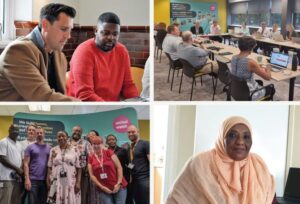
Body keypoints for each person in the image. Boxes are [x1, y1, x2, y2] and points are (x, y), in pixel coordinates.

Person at [166, 116, 276, 204]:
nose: (240, 142)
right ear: (221, 138)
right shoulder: (201, 163)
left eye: (246, 137)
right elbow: (177, 199)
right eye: (232, 135)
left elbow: (270, 199)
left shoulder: (258, 164)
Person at [0, 3, 78, 101]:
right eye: (63, 29)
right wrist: (82, 107)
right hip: (9, 115)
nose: (68, 36)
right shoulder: (18, 51)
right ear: (45, 25)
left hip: (38, 115)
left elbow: (58, 96)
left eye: (70, 30)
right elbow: (42, 97)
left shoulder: (59, 56)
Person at [67, 12, 138, 101]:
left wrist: (137, 103)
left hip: (110, 108)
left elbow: (128, 85)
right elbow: (85, 95)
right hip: (83, 109)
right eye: (105, 33)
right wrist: (110, 109)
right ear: (96, 31)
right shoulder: (84, 52)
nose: (111, 37)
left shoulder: (122, 51)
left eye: (115, 34)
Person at [88, 136, 127, 204]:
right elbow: (92, 175)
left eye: (98, 143)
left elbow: (119, 167)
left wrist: (119, 183)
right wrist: (102, 187)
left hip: (118, 186)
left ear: (102, 144)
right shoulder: (90, 157)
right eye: (94, 144)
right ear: (92, 145)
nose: (96, 146)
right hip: (104, 189)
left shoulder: (109, 152)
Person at [47, 130, 81, 204]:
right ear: (57, 138)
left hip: (70, 180)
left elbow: (79, 167)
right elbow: (49, 166)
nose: (61, 138)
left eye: (63, 136)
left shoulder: (75, 149)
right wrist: (48, 179)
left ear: (67, 137)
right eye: (59, 136)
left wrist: (78, 182)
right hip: (56, 180)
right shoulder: (53, 150)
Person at [23, 126, 51, 204]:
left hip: (44, 181)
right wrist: (27, 179)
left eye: (41, 133)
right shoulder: (29, 147)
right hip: (33, 180)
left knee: (42, 202)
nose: (39, 134)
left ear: (44, 134)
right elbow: (25, 164)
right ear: (35, 134)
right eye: (37, 133)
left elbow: (51, 165)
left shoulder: (49, 148)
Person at [0, 124, 23, 204]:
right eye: (13, 130)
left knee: (15, 201)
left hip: (16, 178)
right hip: (5, 178)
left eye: (17, 130)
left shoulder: (19, 145)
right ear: (9, 130)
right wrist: (17, 169)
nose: (15, 132)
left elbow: (21, 160)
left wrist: (18, 172)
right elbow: (2, 158)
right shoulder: (3, 142)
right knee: (5, 201)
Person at [68, 125, 92, 204]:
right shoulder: (67, 142)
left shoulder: (86, 143)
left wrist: (87, 170)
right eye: (75, 130)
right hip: (68, 172)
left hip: (82, 173)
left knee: (82, 195)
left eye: (79, 131)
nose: (77, 132)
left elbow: (91, 157)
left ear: (81, 133)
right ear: (72, 131)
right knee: (69, 194)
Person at [127, 125, 149, 204]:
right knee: (137, 201)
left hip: (144, 180)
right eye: (129, 132)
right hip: (134, 181)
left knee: (145, 201)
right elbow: (131, 162)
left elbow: (151, 161)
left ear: (138, 132)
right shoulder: (130, 147)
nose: (130, 134)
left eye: (133, 132)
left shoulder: (145, 143)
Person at [106, 134, 131, 204]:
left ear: (116, 140)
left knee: (125, 199)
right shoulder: (105, 152)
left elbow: (129, 163)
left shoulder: (123, 150)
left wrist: (134, 169)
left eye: (113, 139)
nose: (111, 141)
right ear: (107, 142)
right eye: (109, 140)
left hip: (123, 177)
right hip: (111, 178)